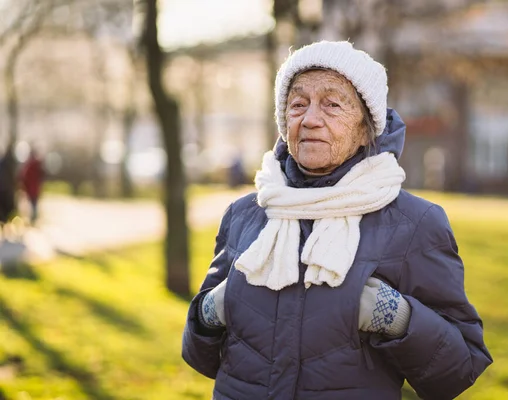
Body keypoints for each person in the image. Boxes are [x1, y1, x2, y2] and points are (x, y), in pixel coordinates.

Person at [182, 41, 492, 400]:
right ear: (285, 122)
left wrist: (396, 317)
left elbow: (458, 370)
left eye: (332, 104)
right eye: (298, 104)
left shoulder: (415, 223)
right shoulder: (246, 215)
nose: (311, 118)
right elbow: (200, 357)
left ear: (366, 127)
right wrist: (209, 312)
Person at [19, 149, 44, 225]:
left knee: (32, 203)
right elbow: (42, 176)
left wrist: (23, 186)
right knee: (34, 203)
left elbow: (24, 176)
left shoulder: (29, 165)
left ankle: (32, 218)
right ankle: (34, 217)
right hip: (36, 187)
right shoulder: (38, 164)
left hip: (30, 188)